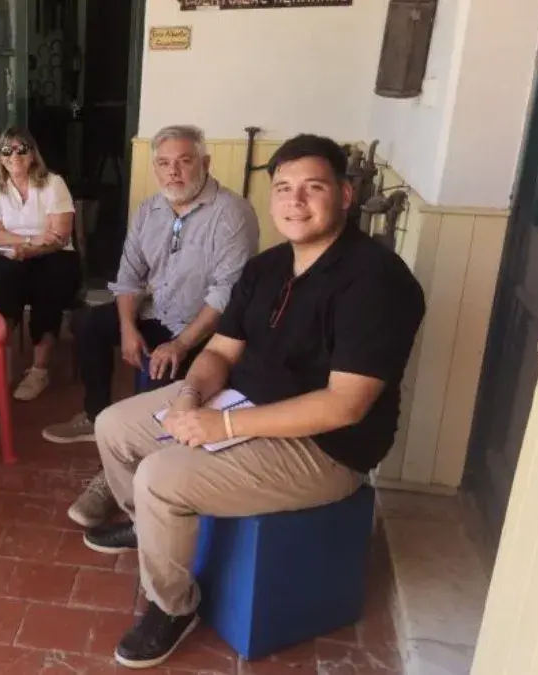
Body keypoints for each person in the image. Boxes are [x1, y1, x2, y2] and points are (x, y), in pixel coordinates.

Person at [82, 134, 426, 669]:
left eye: (313, 188)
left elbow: (345, 406)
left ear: (345, 194)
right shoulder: (268, 266)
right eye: (284, 188)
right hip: (240, 401)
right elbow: (221, 350)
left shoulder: (376, 281)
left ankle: (172, 606)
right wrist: (191, 396)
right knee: (113, 425)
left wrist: (222, 427)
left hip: (326, 446)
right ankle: (150, 531)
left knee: (160, 475)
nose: (295, 201)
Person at [45, 125, 260, 527]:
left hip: (204, 330)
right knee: (90, 325)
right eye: (163, 163)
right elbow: (129, 276)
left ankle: (120, 477)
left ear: (205, 163)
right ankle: (96, 417)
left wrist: (180, 344)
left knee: (157, 374)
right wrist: (128, 328)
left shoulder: (232, 214)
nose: (173, 172)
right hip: (155, 312)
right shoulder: (150, 210)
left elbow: (226, 294)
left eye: (184, 161)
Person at [0, 126, 82, 401]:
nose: (14, 156)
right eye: (7, 150)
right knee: (5, 276)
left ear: (32, 154)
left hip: (55, 255)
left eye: (21, 149)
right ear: (0, 157)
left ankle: (39, 369)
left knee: (49, 283)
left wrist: (29, 249)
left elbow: (60, 236)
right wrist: (32, 239)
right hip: (14, 255)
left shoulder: (53, 183)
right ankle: (1, 359)